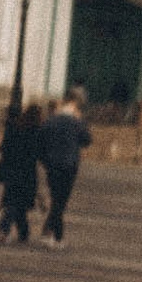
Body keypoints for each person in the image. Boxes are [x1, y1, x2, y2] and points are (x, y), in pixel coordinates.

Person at [36, 91, 89, 243]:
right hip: (70, 165)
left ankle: (49, 231)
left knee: (56, 197)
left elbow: (40, 140)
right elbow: (86, 140)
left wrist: (44, 159)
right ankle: (56, 236)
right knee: (61, 200)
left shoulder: (51, 121)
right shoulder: (76, 122)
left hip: (52, 164)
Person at [0, 99, 41, 243]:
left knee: (15, 203)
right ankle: (3, 230)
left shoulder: (15, 128)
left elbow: (4, 148)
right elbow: (37, 153)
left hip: (12, 171)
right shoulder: (36, 132)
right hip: (27, 173)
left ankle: (24, 233)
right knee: (17, 205)